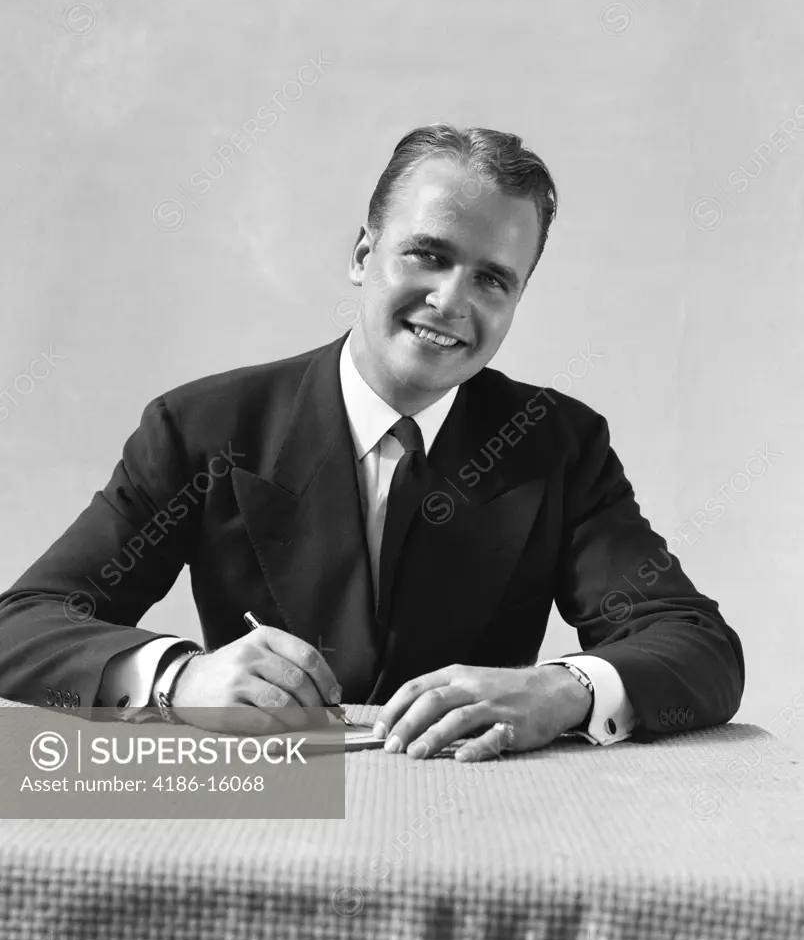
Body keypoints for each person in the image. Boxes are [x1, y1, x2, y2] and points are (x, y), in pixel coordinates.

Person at [0, 124, 744, 763]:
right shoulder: (201, 427)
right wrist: (177, 680)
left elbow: (697, 645)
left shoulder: (560, 444)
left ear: (517, 301)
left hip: (479, 830)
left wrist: (563, 688)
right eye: (427, 254)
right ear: (362, 253)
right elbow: (21, 626)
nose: (451, 301)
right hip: (256, 820)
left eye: (491, 279)